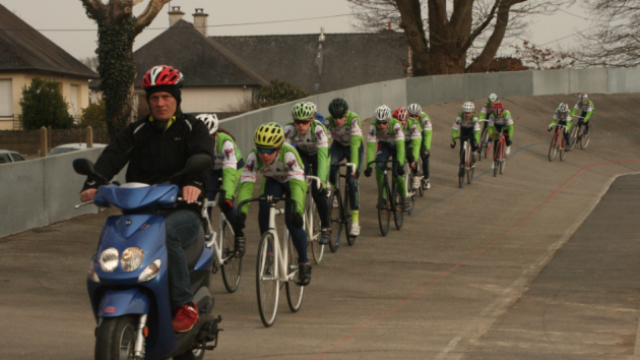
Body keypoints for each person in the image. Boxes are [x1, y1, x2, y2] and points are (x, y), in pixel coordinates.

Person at [78, 65, 213, 333]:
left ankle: (185, 303)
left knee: (167, 233)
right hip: (138, 212)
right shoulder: (136, 131)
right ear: (147, 100)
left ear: (177, 98)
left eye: (166, 97)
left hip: (181, 211)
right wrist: (94, 182)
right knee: (113, 235)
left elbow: (204, 158)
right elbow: (111, 157)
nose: (160, 103)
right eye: (154, 98)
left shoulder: (193, 128)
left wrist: (194, 184)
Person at [235, 123, 312, 285]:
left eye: (269, 150)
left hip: (293, 182)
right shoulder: (253, 156)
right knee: (263, 205)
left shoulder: (289, 154)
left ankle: (304, 263)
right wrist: (242, 211)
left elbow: (298, 186)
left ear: (278, 148)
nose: (264, 155)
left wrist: (298, 209)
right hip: (273, 181)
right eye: (261, 149)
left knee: (292, 221)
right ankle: (268, 249)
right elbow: (247, 184)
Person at [196, 113, 245, 254]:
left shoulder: (226, 143)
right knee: (203, 203)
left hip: (233, 168)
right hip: (212, 170)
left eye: (208, 138)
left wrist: (227, 194)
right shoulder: (195, 143)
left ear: (215, 135)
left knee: (225, 202)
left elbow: (229, 173)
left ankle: (239, 235)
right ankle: (206, 240)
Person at [284, 102, 331, 245]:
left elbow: (323, 157)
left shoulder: (318, 129)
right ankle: (299, 220)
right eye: (297, 121)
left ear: (311, 120)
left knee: (317, 192)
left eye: (304, 122)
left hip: (319, 155)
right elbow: (285, 154)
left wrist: (321, 180)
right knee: (299, 185)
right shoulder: (288, 129)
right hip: (302, 154)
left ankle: (325, 227)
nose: (301, 125)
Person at [324, 98, 364, 236]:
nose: (338, 120)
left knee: (352, 181)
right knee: (329, 164)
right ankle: (335, 190)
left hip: (354, 147)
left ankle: (355, 222)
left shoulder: (354, 119)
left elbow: (354, 145)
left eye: (341, 117)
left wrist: (355, 169)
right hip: (338, 146)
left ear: (345, 114)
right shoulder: (328, 122)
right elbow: (325, 143)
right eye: (335, 117)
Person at [363, 105, 409, 210]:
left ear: (389, 120)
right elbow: (370, 147)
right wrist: (369, 165)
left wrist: (400, 164)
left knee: (397, 173)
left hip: (397, 146)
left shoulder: (396, 125)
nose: (381, 125)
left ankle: (403, 196)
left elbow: (401, 146)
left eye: (384, 122)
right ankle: (383, 196)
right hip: (384, 146)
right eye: (379, 122)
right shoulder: (373, 127)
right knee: (379, 166)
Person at [394, 106, 423, 190]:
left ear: (406, 120)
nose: (400, 126)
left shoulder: (413, 124)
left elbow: (416, 143)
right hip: (402, 142)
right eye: (398, 123)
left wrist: (414, 159)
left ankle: (416, 175)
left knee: (410, 154)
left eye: (402, 123)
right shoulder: (395, 126)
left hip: (411, 141)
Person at [407, 103, 433, 190]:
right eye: (411, 116)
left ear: (420, 114)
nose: (414, 118)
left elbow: (428, 134)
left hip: (422, 135)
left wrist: (427, 149)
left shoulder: (425, 118)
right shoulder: (407, 119)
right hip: (411, 136)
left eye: (416, 116)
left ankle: (426, 179)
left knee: (424, 155)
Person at [451, 102, 481, 174]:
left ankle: (473, 153)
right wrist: (454, 140)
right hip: (463, 129)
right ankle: (462, 163)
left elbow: (477, 131)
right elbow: (454, 129)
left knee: (473, 142)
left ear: (472, 112)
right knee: (462, 147)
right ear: (463, 112)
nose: (467, 115)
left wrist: (476, 142)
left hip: (472, 130)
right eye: (466, 113)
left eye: (469, 113)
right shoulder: (459, 118)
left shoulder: (475, 118)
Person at [486, 102, 514, 168]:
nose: (498, 116)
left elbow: (511, 128)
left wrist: (510, 138)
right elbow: (490, 127)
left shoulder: (507, 115)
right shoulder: (492, 115)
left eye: (500, 114)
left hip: (505, 125)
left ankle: (508, 146)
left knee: (507, 135)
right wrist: (490, 136)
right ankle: (494, 160)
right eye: (497, 115)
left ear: (503, 111)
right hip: (497, 126)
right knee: (496, 141)